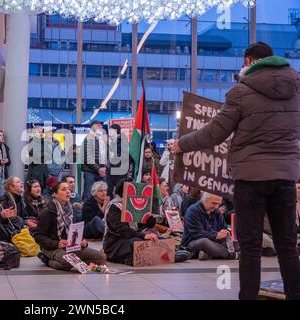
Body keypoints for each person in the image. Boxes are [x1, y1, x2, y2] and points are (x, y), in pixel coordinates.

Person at [174, 42, 300, 300]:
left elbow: (214, 133)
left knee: (251, 246)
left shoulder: (241, 92)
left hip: (250, 178)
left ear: (251, 62)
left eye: (244, 62)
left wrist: (182, 144)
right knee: (287, 244)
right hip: (286, 176)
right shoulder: (296, 89)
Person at [34, 181, 107, 271]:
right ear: (55, 194)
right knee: (67, 263)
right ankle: (47, 260)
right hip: (52, 247)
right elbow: (38, 236)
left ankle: (75, 260)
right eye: (64, 189)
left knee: (101, 258)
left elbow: (77, 230)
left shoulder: (71, 209)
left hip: (71, 246)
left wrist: (82, 240)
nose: (68, 191)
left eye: (68, 189)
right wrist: (57, 244)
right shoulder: (47, 211)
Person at [103, 178, 159, 265]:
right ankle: (131, 258)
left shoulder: (132, 204)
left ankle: (166, 255)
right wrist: (144, 236)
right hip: (116, 242)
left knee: (156, 238)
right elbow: (122, 230)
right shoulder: (114, 207)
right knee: (137, 242)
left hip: (131, 236)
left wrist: (149, 219)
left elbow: (138, 225)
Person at [181, 193, 239, 261]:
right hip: (193, 242)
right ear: (204, 200)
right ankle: (230, 255)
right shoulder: (192, 211)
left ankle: (210, 254)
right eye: (214, 203)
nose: (216, 206)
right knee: (204, 242)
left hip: (214, 242)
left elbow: (224, 228)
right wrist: (216, 235)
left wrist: (225, 232)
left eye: (218, 204)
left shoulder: (217, 212)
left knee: (235, 242)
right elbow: (197, 234)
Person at [81, 121, 107, 201]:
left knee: (102, 195)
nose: (100, 127)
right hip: (90, 170)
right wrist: (98, 168)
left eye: (101, 126)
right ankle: (87, 213)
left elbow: (107, 155)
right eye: (97, 125)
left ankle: (99, 212)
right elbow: (87, 157)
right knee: (88, 195)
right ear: (92, 127)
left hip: (102, 171)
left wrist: (105, 167)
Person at [106, 124, 130, 198]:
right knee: (108, 192)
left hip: (119, 172)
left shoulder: (123, 141)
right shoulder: (112, 141)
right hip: (111, 171)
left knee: (120, 192)